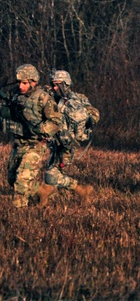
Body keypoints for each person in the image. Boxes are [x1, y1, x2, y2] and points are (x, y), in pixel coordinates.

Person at [1, 64, 61, 208]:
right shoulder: (15, 95)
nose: (21, 86)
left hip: (36, 144)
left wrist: (40, 129)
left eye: (25, 83)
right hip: (19, 143)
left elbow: (56, 122)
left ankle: (19, 215)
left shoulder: (43, 98)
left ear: (33, 82)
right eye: (19, 82)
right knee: (12, 178)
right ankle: (42, 192)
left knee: (21, 183)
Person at [44, 70, 100, 202]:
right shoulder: (50, 97)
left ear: (66, 84)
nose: (54, 88)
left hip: (68, 143)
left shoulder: (78, 99)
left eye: (57, 85)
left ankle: (81, 190)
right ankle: (46, 198)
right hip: (54, 142)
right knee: (53, 171)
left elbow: (94, 113)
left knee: (51, 175)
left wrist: (90, 119)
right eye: (53, 85)